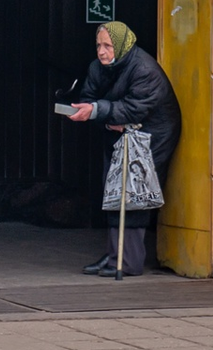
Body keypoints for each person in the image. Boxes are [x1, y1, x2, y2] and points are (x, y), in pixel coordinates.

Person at [69, 21, 181, 278]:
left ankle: (128, 261)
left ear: (121, 45)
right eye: (98, 45)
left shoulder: (144, 69)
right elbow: (89, 96)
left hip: (151, 134)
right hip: (118, 131)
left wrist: (99, 112)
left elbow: (134, 108)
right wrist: (98, 113)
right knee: (114, 188)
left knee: (134, 192)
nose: (101, 51)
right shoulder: (98, 68)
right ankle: (114, 256)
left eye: (108, 45)